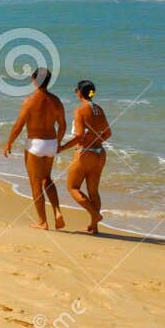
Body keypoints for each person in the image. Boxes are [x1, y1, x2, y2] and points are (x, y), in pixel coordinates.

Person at [3, 66, 66, 230]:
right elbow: (63, 126)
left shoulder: (29, 101)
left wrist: (9, 142)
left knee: (36, 183)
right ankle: (57, 211)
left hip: (35, 144)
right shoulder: (56, 101)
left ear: (34, 81)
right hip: (51, 143)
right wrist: (58, 143)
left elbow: (18, 126)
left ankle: (42, 221)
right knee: (48, 179)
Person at [59, 79, 111, 234]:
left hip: (84, 153)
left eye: (76, 89)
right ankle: (93, 226)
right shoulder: (99, 109)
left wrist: (62, 147)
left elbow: (80, 136)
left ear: (79, 92)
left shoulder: (80, 110)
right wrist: (96, 141)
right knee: (93, 191)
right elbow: (108, 133)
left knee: (72, 187)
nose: (75, 92)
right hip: (100, 153)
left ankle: (95, 215)